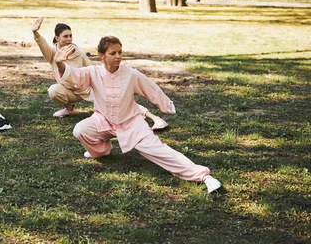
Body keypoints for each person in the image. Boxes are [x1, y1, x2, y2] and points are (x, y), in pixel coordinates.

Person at [53, 36, 222, 193]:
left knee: (159, 150)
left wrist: (166, 106)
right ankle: (101, 151)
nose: (118, 56)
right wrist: (61, 64)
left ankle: (204, 176)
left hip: (131, 123)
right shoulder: (93, 72)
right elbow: (74, 76)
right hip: (103, 119)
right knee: (80, 130)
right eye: (113, 53)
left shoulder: (130, 74)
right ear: (102, 56)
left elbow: (151, 88)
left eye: (120, 52)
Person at [32, 17, 169, 130]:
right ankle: (69, 109)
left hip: (87, 88)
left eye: (71, 36)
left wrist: (105, 84)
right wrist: (36, 33)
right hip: (69, 90)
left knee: (117, 102)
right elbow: (43, 46)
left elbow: (92, 69)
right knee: (53, 90)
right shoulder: (53, 53)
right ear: (57, 38)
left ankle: (155, 118)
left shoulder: (77, 52)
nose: (69, 39)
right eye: (65, 36)